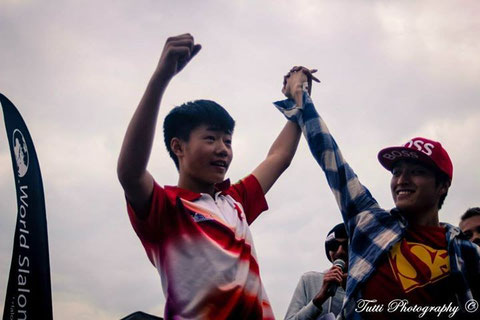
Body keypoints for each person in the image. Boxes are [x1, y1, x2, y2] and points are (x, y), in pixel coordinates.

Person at [117, 34, 319, 319]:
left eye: (228, 141)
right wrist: (161, 78)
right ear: (178, 147)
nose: (222, 149)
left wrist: (301, 99)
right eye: (211, 138)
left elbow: (279, 157)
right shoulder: (166, 209)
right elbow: (130, 171)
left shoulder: (234, 202)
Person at [274, 67, 480, 320]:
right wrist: (299, 94)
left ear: (442, 185)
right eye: (396, 172)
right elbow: (330, 156)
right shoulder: (369, 222)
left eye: (416, 171)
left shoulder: (465, 252)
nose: (401, 180)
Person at [285, 223, 348, 320]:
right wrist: (319, 299)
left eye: (346, 245)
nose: (340, 251)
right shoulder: (309, 280)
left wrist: (352, 293)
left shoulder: (367, 285)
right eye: (333, 245)